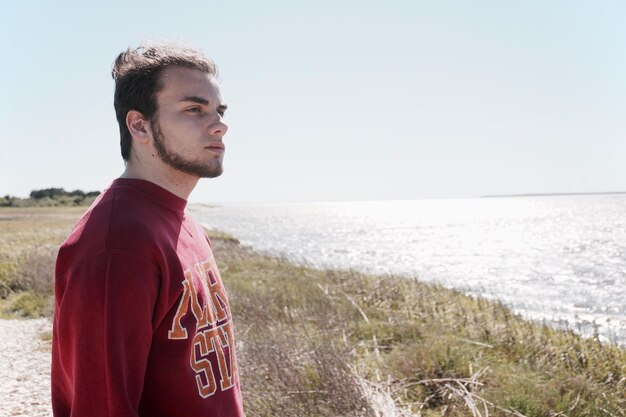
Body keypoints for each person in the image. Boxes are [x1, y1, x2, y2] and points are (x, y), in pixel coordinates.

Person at [51, 43, 245, 417]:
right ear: (139, 125)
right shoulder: (116, 246)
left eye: (218, 110)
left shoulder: (182, 219)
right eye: (194, 109)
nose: (220, 123)